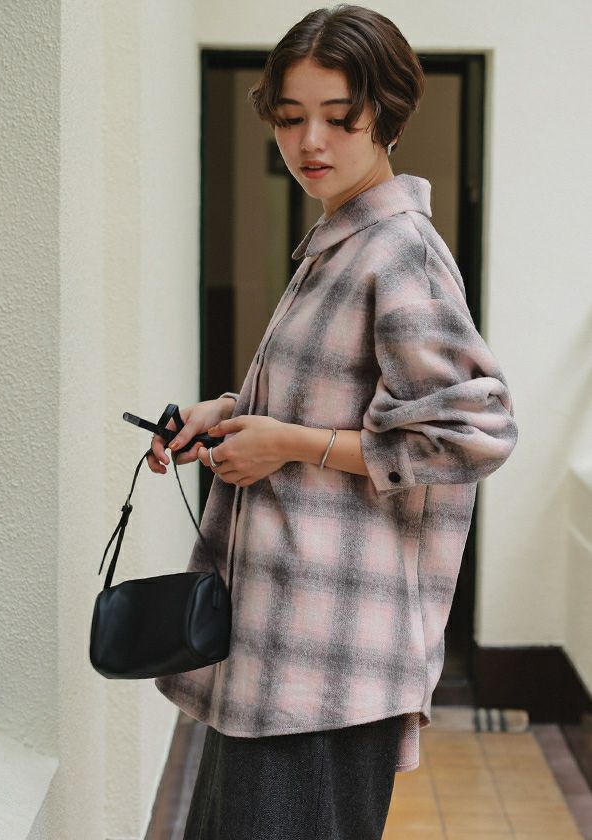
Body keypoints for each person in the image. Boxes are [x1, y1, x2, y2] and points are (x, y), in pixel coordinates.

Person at [149, 4, 518, 838]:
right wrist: (228, 416)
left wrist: (287, 444)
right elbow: (332, 403)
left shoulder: (400, 250)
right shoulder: (336, 244)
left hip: (329, 663)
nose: (310, 141)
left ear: (387, 117)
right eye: (289, 118)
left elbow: (473, 433)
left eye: (339, 117)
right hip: (275, 647)